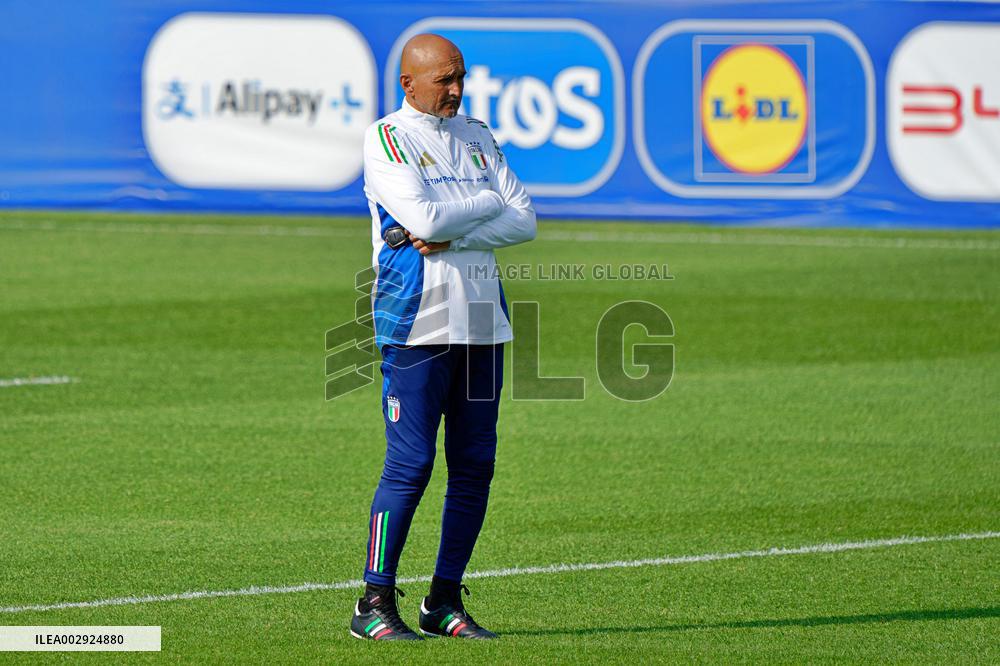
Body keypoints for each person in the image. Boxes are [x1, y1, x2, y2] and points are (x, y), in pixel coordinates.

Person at [349, 33, 536, 641]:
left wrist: (461, 224)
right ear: (409, 84)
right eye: (443, 81)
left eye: (460, 78)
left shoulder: (477, 134)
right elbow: (423, 219)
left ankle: (443, 601)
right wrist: (486, 204)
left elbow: (525, 218)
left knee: (475, 464)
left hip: (483, 320)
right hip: (416, 320)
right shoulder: (387, 138)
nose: (455, 90)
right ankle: (373, 603)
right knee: (410, 463)